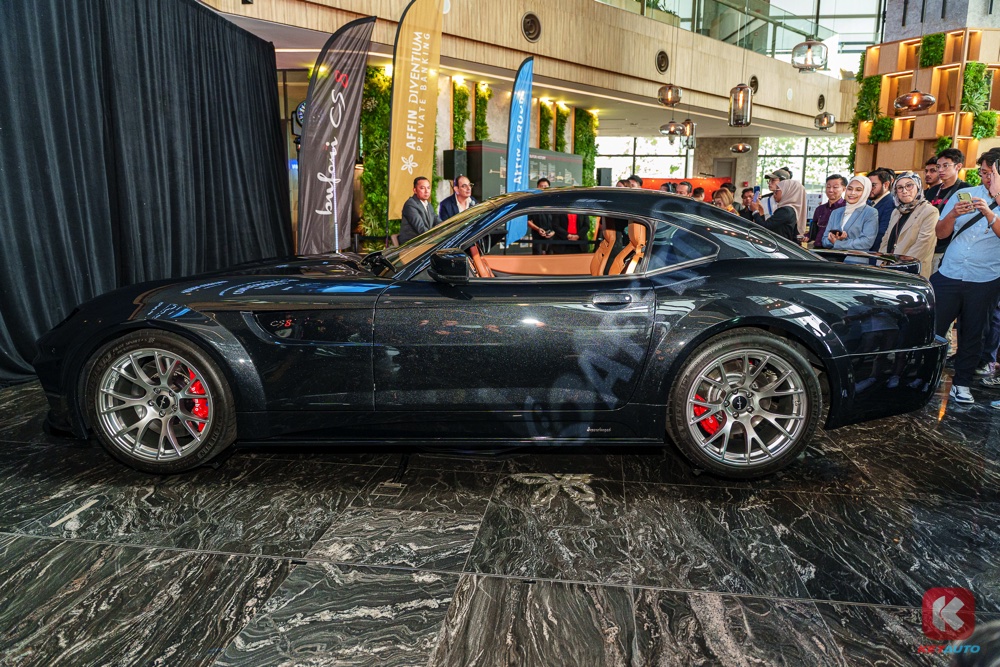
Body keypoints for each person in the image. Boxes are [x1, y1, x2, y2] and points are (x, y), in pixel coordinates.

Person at [931, 149, 1000, 405]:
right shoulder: (967, 193)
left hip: (985, 278)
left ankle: (961, 384)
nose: (985, 178)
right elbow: (940, 233)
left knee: (973, 333)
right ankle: (924, 377)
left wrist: (990, 212)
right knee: (933, 329)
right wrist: (953, 215)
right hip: (950, 272)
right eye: (982, 172)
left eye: (990, 173)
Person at [877, 171, 939, 278]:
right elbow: (886, 239)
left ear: (918, 187)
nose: (904, 191)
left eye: (909, 186)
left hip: (911, 271)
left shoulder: (930, 211)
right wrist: (881, 262)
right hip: (888, 269)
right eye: (900, 188)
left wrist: (898, 266)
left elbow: (923, 245)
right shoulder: (896, 211)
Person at [927, 148, 970, 274]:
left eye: (945, 166)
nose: (940, 170)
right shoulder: (932, 191)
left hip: (948, 248)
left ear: (958, 166)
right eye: (938, 166)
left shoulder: (966, 190)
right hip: (928, 244)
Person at [822, 175, 878, 260]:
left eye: (858, 190)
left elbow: (866, 242)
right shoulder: (836, 212)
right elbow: (824, 240)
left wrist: (837, 243)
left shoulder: (870, 212)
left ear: (866, 192)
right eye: (850, 189)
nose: (852, 193)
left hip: (855, 263)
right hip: (833, 262)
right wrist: (835, 239)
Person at [399, 176, 441, 243]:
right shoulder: (410, 204)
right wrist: (435, 238)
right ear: (415, 190)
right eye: (422, 188)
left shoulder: (429, 205)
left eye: (428, 188)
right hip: (412, 243)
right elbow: (421, 228)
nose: (426, 191)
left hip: (425, 241)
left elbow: (438, 222)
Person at [808, 175, 847, 246]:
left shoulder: (846, 208)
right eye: (828, 187)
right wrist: (806, 236)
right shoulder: (819, 209)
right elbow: (813, 231)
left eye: (835, 187)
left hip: (836, 248)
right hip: (818, 248)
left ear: (844, 189)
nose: (830, 190)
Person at [867, 168, 896, 250]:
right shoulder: (869, 202)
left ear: (886, 185)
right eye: (867, 186)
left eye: (873, 185)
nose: (869, 189)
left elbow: (881, 235)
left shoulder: (891, 204)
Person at [527, 177, 555, 254]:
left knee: (552, 258)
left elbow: (558, 221)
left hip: (552, 236)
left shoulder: (554, 202)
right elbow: (528, 221)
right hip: (537, 235)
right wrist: (538, 229)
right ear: (537, 187)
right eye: (541, 186)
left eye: (545, 186)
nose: (543, 188)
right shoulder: (533, 202)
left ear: (549, 188)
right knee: (537, 256)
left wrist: (554, 232)